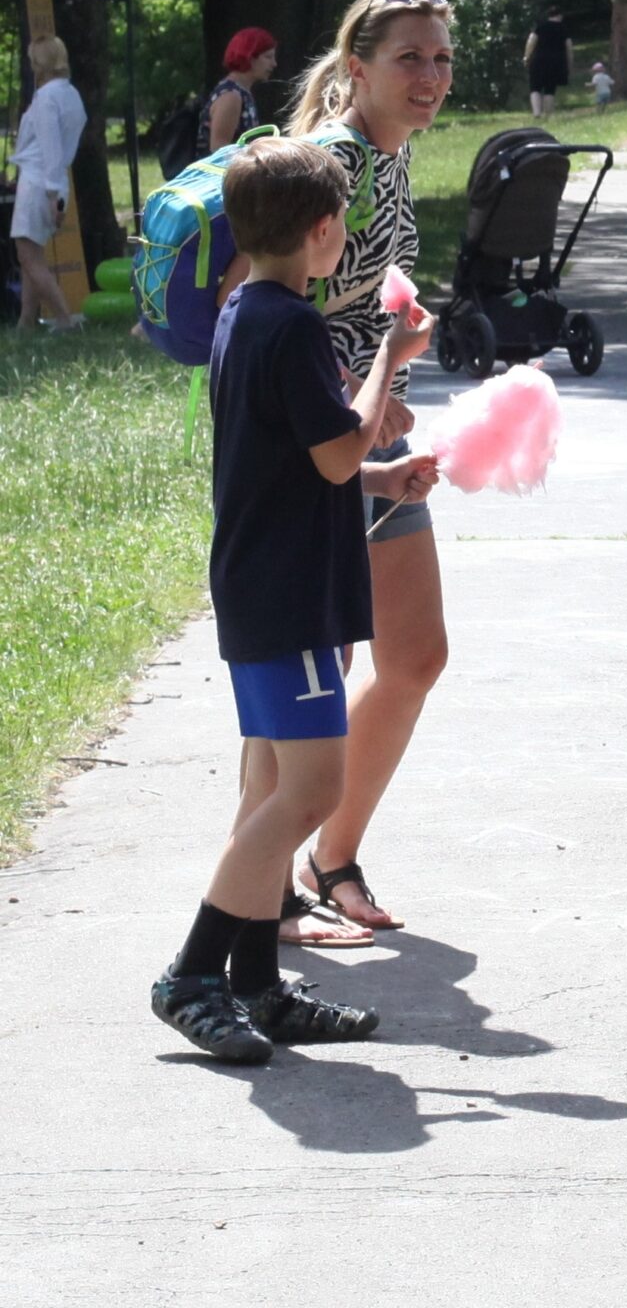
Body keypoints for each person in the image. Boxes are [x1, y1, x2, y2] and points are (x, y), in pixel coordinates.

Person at [150, 135, 437, 1062]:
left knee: (273, 786)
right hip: (289, 597)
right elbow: (339, 450)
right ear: (322, 232)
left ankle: (259, 986)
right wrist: (391, 353)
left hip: (260, 584)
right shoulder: (294, 327)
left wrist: (384, 481)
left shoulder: (244, 311)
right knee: (310, 791)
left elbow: (298, 459)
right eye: (343, 219)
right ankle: (194, 973)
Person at [285, 0, 457, 933]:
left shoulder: (391, 156)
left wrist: (394, 348)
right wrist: (365, 383)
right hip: (321, 444)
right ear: (358, 66)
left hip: (373, 437)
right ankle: (262, 889)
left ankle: (331, 854)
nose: (430, 76)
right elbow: (274, 307)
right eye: (409, 58)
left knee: (415, 654)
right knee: (311, 678)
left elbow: (358, 297)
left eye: (441, 58)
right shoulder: (336, 162)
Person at [9, 34, 86, 332]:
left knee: (27, 254)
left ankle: (64, 317)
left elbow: (49, 148)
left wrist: (53, 194)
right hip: (53, 180)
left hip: (38, 182)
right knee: (34, 252)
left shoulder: (45, 99)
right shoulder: (71, 95)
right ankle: (26, 320)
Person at [202, 27, 273, 155]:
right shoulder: (231, 96)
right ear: (250, 56)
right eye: (268, 57)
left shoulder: (242, 93)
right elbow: (219, 151)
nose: (274, 64)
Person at [523, 2, 571, 120]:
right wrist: (569, 63)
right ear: (560, 15)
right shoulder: (563, 28)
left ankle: (536, 113)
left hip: (539, 60)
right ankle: (548, 115)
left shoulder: (540, 26)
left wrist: (526, 56)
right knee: (550, 89)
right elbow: (569, 47)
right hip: (556, 62)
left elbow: (531, 41)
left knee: (535, 88)